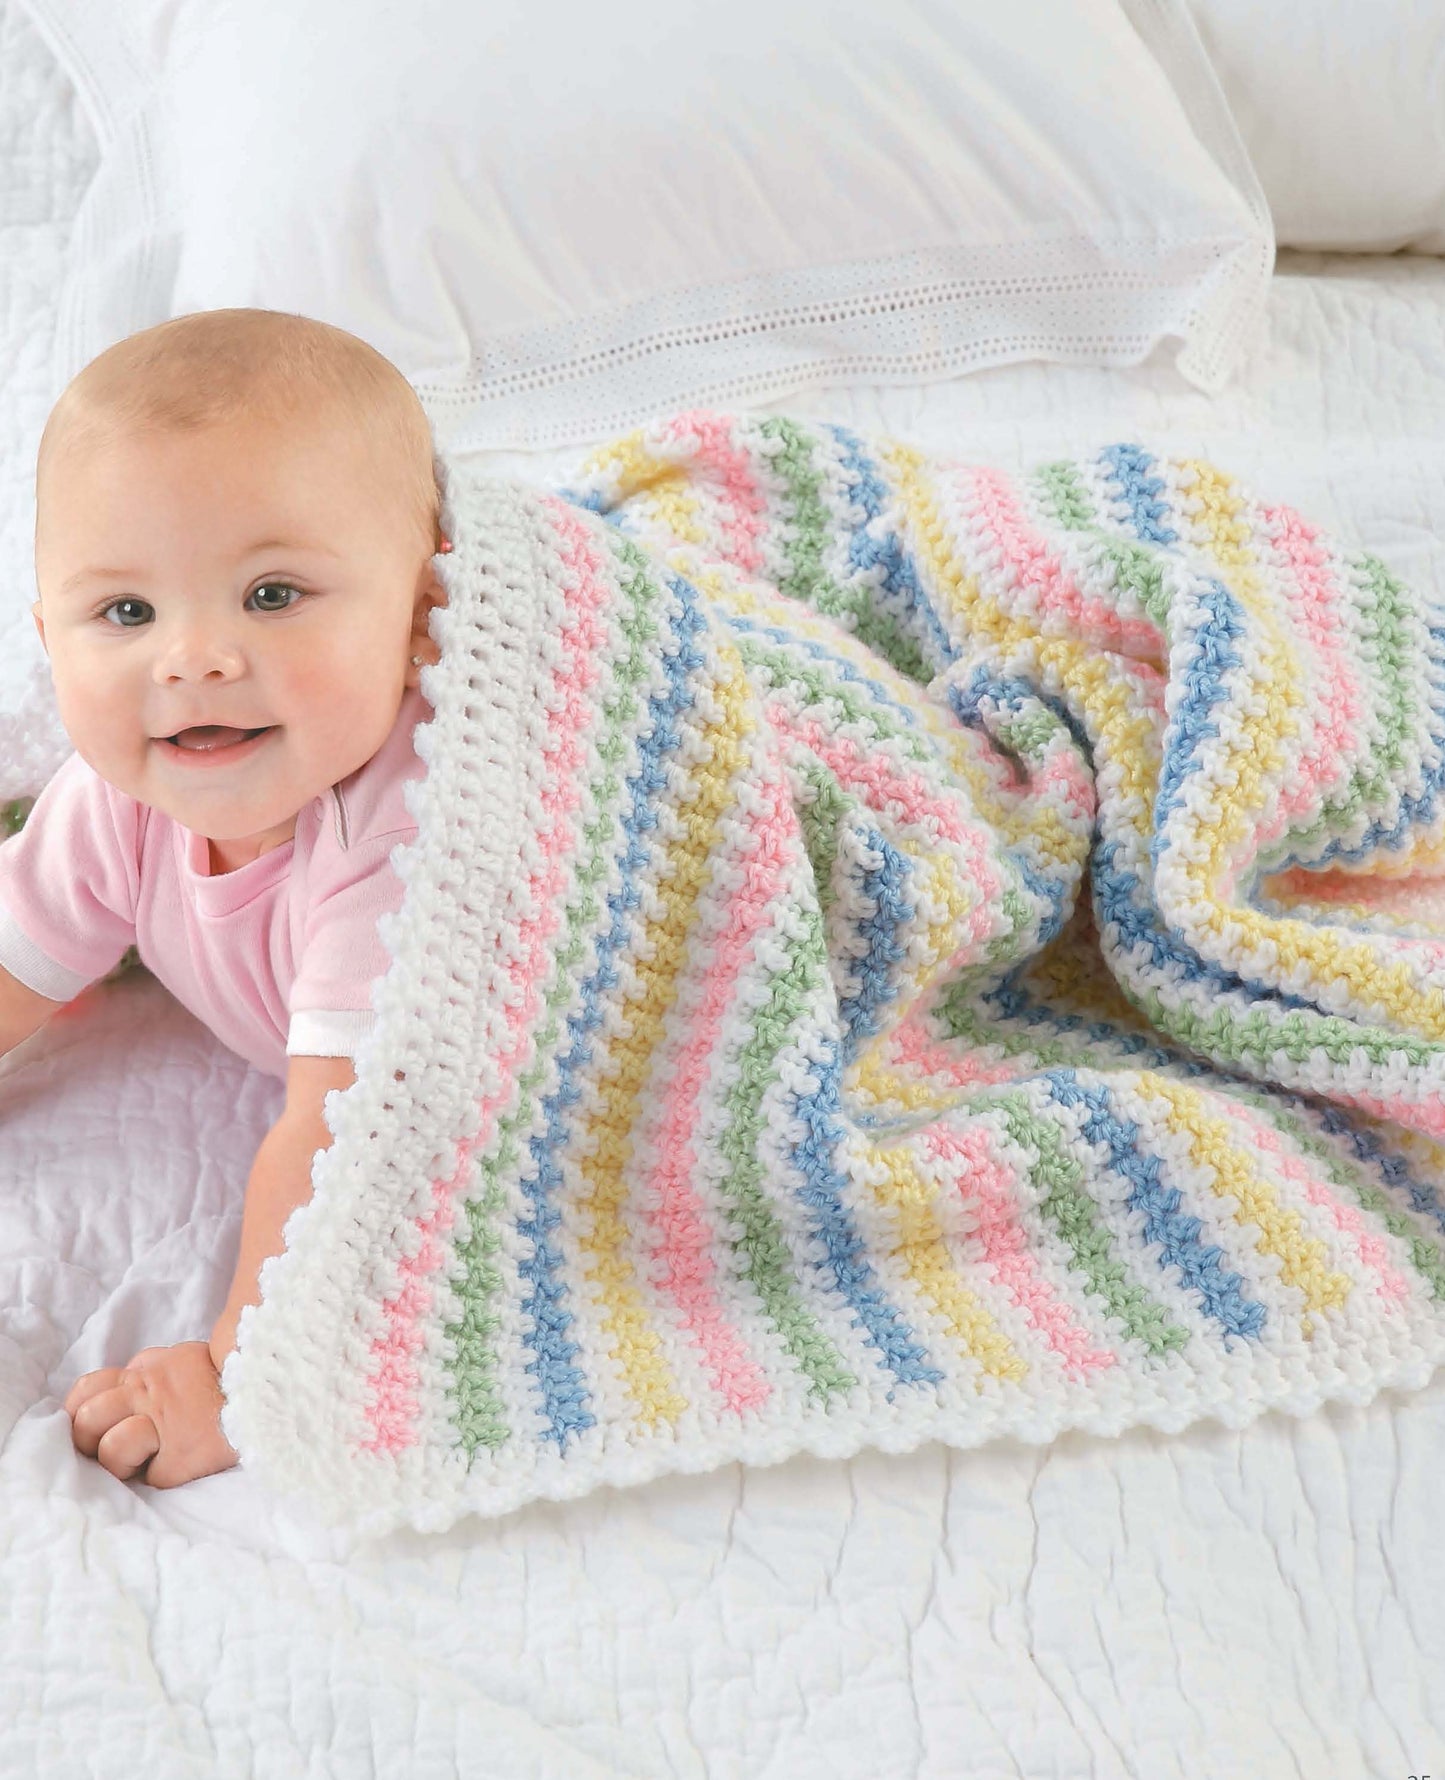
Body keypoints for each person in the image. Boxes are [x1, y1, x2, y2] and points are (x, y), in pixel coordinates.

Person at [0, 308, 448, 1487]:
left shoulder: (400, 834)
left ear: (419, 613)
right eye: (127, 613)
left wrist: (244, 1370)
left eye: (272, 594)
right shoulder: (118, 796)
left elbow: (344, 1143)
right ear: (48, 634)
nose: (192, 657)